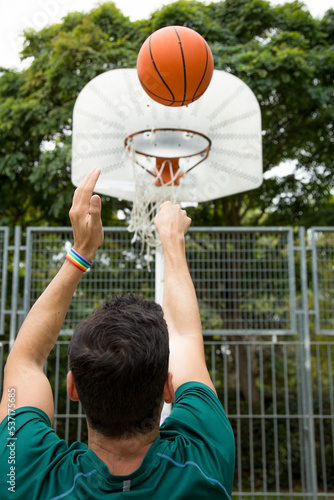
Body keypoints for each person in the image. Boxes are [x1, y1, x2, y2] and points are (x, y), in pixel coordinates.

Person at [0, 168, 235, 499]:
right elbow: (183, 336)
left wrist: (80, 253)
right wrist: (173, 240)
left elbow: (24, 362)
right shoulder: (205, 461)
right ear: (169, 388)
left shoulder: (20, 471)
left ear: (73, 387)